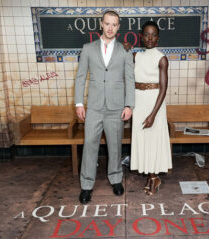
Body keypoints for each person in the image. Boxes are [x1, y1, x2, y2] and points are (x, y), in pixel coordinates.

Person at [74, 10, 135, 204]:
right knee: (89, 145)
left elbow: (130, 79)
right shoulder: (88, 48)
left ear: (118, 27)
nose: (110, 28)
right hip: (94, 106)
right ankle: (86, 185)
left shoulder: (125, 50)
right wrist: (78, 103)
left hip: (116, 107)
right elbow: (81, 77)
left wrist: (129, 105)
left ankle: (116, 179)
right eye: (107, 23)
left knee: (115, 146)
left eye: (114, 24)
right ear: (101, 24)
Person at [130, 21, 172, 195]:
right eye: (146, 34)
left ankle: (155, 178)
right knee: (143, 139)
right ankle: (150, 175)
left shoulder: (161, 58)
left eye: (153, 34)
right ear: (141, 37)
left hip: (155, 103)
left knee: (154, 140)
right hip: (139, 102)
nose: (150, 38)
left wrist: (153, 114)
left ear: (158, 38)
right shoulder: (136, 56)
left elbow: (163, 88)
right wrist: (125, 47)